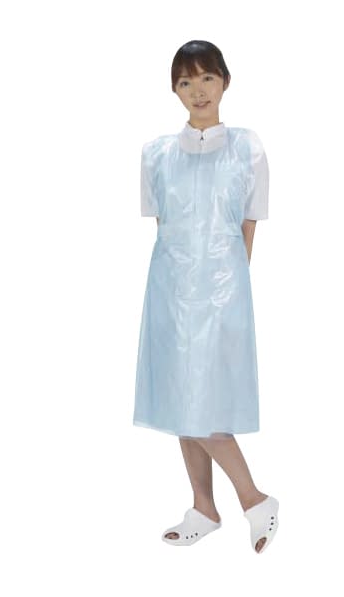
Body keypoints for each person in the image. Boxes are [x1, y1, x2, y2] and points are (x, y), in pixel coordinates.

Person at [133, 40, 279, 554]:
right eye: (186, 81)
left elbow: (248, 226)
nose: (198, 90)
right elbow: (164, 227)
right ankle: (203, 507)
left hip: (222, 294)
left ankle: (255, 500)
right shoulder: (156, 154)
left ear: (225, 81)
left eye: (207, 78)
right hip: (169, 293)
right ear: (174, 89)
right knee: (179, 400)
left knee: (205, 405)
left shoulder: (247, 148)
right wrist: (177, 289)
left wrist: (227, 292)